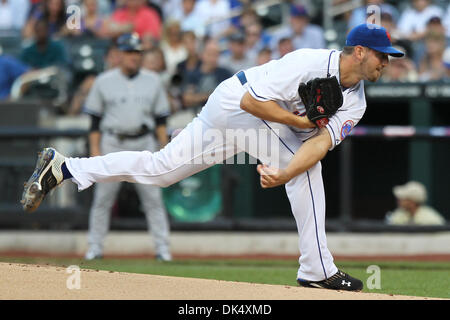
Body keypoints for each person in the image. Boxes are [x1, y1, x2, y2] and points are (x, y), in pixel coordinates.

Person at [21, 23, 404, 291]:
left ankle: (67, 167)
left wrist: (286, 171)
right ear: (360, 51)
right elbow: (250, 101)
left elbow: (319, 144)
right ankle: (317, 269)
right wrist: (295, 122)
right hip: (236, 104)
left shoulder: (356, 103)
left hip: (249, 118)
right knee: (305, 171)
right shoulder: (307, 62)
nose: (386, 62)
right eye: (382, 56)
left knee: (161, 170)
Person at [73, 33, 173, 261]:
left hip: (144, 142)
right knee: (103, 200)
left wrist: (164, 150)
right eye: (129, 52)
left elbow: (160, 120)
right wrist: (95, 152)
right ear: (118, 54)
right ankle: (95, 248)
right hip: (113, 142)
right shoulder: (103, 80)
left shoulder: (153, 80)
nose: (133, 57)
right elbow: (95, 122)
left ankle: (163, 250)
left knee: (153, 200)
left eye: (137, 52)